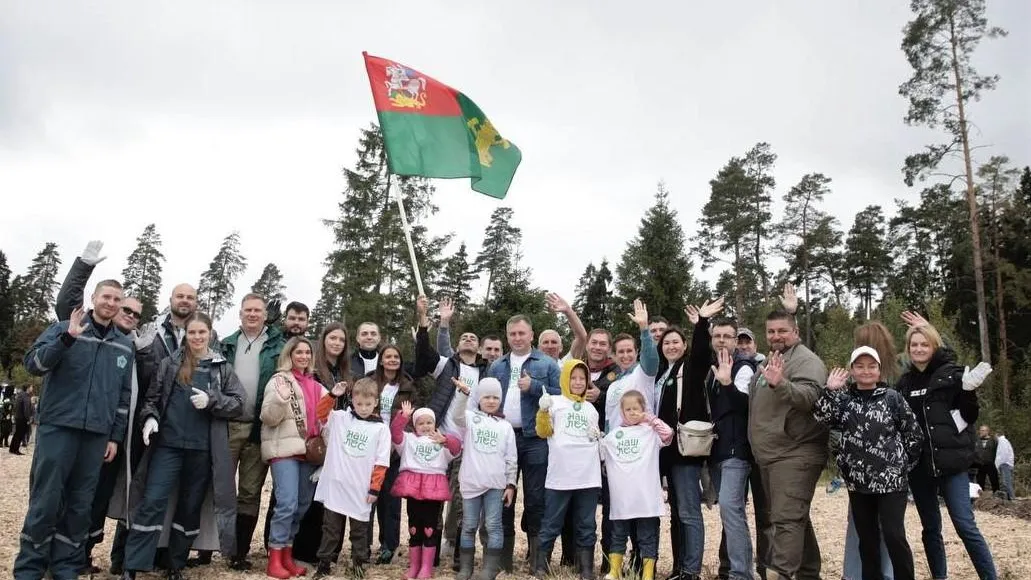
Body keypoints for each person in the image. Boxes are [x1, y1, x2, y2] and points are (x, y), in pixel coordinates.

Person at [14, 281, 134, 580]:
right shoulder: (67, 327)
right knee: (46, 500)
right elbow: (33, 364)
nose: (111, 303)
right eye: (106, 296)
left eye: (117, 299)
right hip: (58, 427)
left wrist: (115, 437)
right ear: (94, 298)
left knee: (80, 505)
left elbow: (121, 397)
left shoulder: (124, 344)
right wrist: (66, 339)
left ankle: (65, 567)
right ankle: (30, 568)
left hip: (96, 435)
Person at [121, 312, 245, 580]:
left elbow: (238, 403)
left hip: (202, 450)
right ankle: (132, 564)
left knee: (190, 507)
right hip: (168, 445)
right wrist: (150, 419)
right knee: (152, 501)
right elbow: (152, 399)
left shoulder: (221, 367)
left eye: (202, 332)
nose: (197, 337)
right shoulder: (169, 364)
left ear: (210, 333)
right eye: (192, 333)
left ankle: (175, 564)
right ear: (185, 335)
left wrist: (213, 400)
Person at [897, 322, 998, 580]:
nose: (919, 349)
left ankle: (990, 577)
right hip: (919, 468)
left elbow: (970, 415)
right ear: (908, 349)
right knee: (931, 528)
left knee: (965, 525)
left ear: (933, 347)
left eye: (924, 344)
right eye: (914, 345)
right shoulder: (904, 384)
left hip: (952, 464)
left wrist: (969, 392)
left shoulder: (950, 374)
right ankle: (939, 577)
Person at [814, 346, 924, 580]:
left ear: (879, 370)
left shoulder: (892, 398)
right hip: (858, 483)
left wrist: (903, 466)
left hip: (891, 482)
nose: (866, 371)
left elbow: (914, 434)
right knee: (867, 539)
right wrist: (829, 390)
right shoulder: (843, 400)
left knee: (894, 535)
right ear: (852, 370)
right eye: (860, 366)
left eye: (871, 366)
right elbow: (820, 417)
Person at [748, 309, 828, 580]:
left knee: (786, 520)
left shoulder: (807, 361)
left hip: (795, 452)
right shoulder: (775, 359)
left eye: (782, 331)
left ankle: (781, 574)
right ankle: (808, 574)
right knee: (794, 519)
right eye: (771, 331)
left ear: (795, 331)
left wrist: (780, 383)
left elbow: (809, 398)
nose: (776, 336)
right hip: (772, 454)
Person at [655, 299, 724, 580]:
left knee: (689, 513)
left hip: (686, 452)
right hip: (668, 453)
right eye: (666, 343)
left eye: (676, 342)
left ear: (684, 346)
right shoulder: (664, 372)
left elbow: (702, 356)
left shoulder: (690, 368)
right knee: (678, 514)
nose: (671, 346)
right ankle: (681, 566)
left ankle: (691, 571)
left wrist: (702, 323)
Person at [488, 314, 562, 570]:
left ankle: (539, 560)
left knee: (536, 498)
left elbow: (560, 396)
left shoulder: (548, 364)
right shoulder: (497, 366)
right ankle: (503, 560)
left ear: (532, 335)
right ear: (508, 336)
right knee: (502, 496)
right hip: (503, 438)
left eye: (522, 333)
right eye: (513, 334)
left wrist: (534, 387)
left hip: (535, 439)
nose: (517, 338)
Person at [221, 293, 287, 570]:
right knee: (219, 487)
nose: (252, 314)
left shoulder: (277, 347)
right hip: (227, 424)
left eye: (257, 310)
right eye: (247, 310)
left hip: (260, 427)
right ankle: (207, 547)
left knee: (250, 491)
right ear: (240, 313)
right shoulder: (226, 345)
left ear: (265, 315)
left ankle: (240, 551)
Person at [840, 321, 904, 580]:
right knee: (891, 528)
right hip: (887, 468)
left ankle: (855, 574)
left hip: (862, 468)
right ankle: (884, 574)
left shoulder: (855, 377)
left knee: (860, 526)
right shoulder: (899, 374)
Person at [260, 336, 328, 578]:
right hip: (285, 451)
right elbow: (268, 418)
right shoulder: (279, 380)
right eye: (298, 352)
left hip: (308, 452)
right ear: (289, 355)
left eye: (307, 353)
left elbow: (325, 419)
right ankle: (274, 558)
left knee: (301, 506)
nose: (304, 357)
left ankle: (287, 555)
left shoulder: (316, 385)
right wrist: (280, 398)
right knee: (286, 503)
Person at [312, 378, 392, 580]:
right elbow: (320, 413)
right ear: (352, 401)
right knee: (330, 528)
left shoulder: (381, 429)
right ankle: (324, 563)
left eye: (367, 404)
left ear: (376, 402)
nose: (363, 408)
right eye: (358, 404)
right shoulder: (341, 418)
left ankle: (358, 564)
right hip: (337, 484)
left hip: (360, 488)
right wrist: (332, 395)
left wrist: (375, 489)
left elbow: (381, 462)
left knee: (359, 530)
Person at [533, 359, 602, 579]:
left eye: (583, 378)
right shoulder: (553, 402)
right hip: (560, 474)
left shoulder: (591, 408)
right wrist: (543, 412)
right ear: (565, 379)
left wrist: (597, 436)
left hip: (588, 475)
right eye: (574, 378)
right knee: (552, 520)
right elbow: (543, 432)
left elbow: (595, 436)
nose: (579, 382)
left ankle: (586, 568)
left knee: (586, 523)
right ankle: (541, 565)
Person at [707, 318, 765, 580]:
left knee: (731, 509)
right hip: (718, 450)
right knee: (729, 511)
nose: (722, 340)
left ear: (735, 341)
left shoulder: (743, 368)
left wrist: (728, 383)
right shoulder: (712, 370)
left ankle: (741, 573)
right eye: (717, 335)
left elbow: (746, 405)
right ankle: (735, 569)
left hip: (737, 451)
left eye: (727, 336)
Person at [601, 390, 673, 580]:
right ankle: (614, 570)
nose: (632, 412)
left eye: (636, 408)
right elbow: (599, 450)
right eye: (627, 409)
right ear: (621, 412)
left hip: (646, 498)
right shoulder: (614, 435)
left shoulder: (650, 432)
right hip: (622, 498)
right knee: (618, 534)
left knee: (646, 536)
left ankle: (648, 574)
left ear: (643, 409)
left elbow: (668, 434)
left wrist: (649, 419)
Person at [452, 377, 518, 580]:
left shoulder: (505, 426)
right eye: (487, 397)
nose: (491, 401)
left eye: (495, 397)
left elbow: (511, 457)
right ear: (479, 399)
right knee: (469, 525)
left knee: (493, 526)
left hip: (495, 485)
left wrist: (511, 484)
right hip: (471, 482)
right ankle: (466, 568)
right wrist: (463, 395)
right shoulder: (471, 418)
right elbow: (456, 416)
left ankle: (490, 569)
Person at [391, 402, 462, 579]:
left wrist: (445, 440)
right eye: (421, 423)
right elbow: (395, 434)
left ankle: (426, 568)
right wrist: (403, 417)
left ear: (435, 424)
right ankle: (414, 566)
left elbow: (456, 448)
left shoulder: (440, 441)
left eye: (429, 422)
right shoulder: (408, 440)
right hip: (413, 487)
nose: (425, 426)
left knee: (430, 527)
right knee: (414, 527)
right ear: (414, 425)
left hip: (433, 489)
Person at [9, 384, 33, 455]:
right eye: (31, 387)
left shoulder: (20, 395)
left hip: (18, 417)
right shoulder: (25, 396)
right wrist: (28, 418)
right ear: (28, 388)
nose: (32, 388)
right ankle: (15, 449)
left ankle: (12, 448)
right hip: (22, 418)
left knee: (17, 433)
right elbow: (26, 409)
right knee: (20, 434)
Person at [975, 425, 1000, 493]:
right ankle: (980, 498)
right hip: (980, 464)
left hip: (990, 463)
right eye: (980, 430)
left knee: (994, 480)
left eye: (983, 430)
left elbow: (998, 451)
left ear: (987, 431)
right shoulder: (977, 440)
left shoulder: (993, 440)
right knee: (980, 482)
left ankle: (997, 495)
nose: (981, 432)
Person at [996, 431, 1015, 501]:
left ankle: (1012, 498)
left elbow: (1003, 454)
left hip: (1005, 464)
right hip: (1006, 464)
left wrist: (998, 464)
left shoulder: (1002, 441)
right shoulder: (1004, 441)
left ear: (997, 435)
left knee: (1006, 482)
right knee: (1005, 482)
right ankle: (1008, 498)